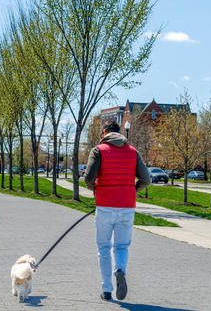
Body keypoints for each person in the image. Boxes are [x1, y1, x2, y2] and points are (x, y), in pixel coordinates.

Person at [84, 121, 150, 301]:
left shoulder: (98, 150)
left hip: (105, 205)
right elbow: (146, 179)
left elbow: (88, 178)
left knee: (104, 247)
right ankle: (119, 269)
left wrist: (97, 190)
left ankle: (106, 290)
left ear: (104, 132)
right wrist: (131, 190)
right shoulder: (133, 152)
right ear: (120, 133)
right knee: (121, 246)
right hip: (127, 206)